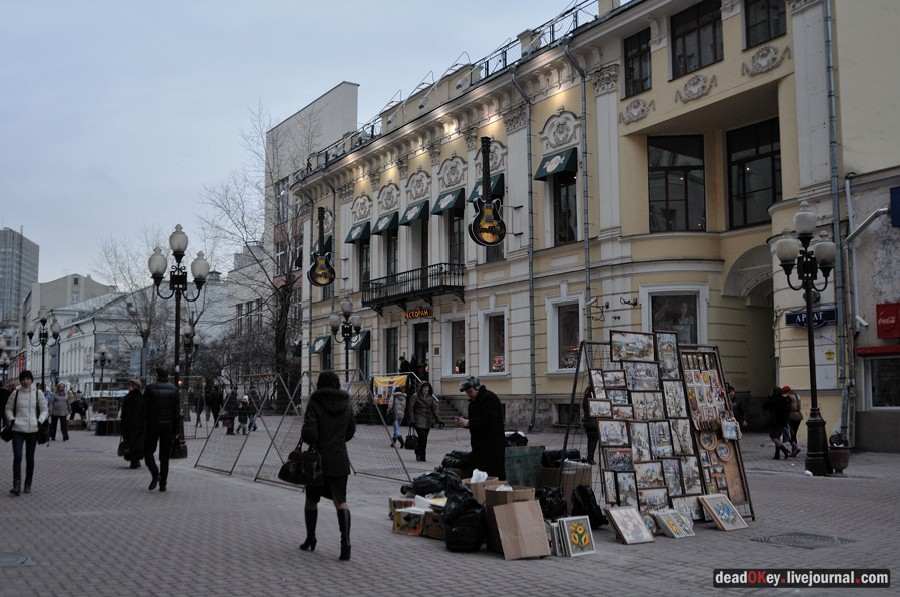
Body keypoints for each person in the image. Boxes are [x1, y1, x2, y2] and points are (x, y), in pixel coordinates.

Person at [299, 371, 356, 561]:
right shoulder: (347, 404)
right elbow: (350, 431)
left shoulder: (315, 403)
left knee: (311, 499)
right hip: (339, 459)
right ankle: (345, 543)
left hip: (318, 461)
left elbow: (310, 434)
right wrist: (337, 441)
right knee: (341, 500)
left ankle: (311, 538)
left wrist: (315, 437)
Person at [5, 370, 48, 496]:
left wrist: (39, 421)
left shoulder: (38, 393)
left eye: (28, 379)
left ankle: (28, 483)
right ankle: (16, 484)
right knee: (17, 457)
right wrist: (12, 420)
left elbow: (45, 410)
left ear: (31, 380)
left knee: (30, 458)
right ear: (20, 380)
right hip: (18, 429)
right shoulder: (15, 393)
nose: (26, 381)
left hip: (33, 430)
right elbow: (8, 409)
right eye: (23, 379)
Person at [456, 376, 506, 479]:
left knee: (493, 474)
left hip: (492, 446)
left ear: (477, 388)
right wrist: (464, 423)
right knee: (480, 475)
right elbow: (476, 422)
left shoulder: (489, 398)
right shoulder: (474, 402)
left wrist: (469, 422)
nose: (469, 395)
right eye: (467, 393)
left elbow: (490, 419)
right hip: (479, 447)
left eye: (470, 391)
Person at [141, 366, 181, 492]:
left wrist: (141, 425)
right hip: (168, 426)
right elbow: (176, 412)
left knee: (148, 451)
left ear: (157, 375)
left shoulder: (150, 388)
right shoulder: (174, 389)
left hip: (153, 425)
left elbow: (144, 409)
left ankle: (155, 473)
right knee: (164, 456)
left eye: (154, 374)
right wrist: (176, 430)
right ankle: (163, 484)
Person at [408, 381, 442, 462]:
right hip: (418, 420)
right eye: (424, 388)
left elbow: (434, 410)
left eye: (427, 388)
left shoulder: (431, 397)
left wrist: (439, 420)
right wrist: (412, 420)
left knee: (424, 439)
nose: (426, 389)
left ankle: (418, 452)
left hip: (427, 421)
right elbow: (411, 408)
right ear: (421, 388)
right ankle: (422, 456)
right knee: (422, 437)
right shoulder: (415, 396)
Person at [762, 386, 791, 460]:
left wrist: (769, 397)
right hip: (783, 421)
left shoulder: (772, 399)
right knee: (777, 437)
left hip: (775, 421)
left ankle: (784, 450)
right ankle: (777, 454)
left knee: (773, 437)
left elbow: (764, 406)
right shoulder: (784, 400)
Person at [121, 379, 144, 469]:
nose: (128, 387)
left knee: (130, 443)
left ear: (133, 387)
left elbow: (126, 414)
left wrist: (123, 425)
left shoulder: (128, 398)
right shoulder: (142, 397)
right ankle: (137, 460)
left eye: (129, 386)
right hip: (140, 424)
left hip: (130, 425)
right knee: (138, 443)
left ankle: (133, 461)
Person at [783, 385, 803, 457]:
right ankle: (793, 451)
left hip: (792, 415)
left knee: (789, 433)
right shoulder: (797, 395)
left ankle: (795, 449)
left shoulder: (788, 396)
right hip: (799, 415)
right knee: (794, 433)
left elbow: (787, 407)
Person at [581, 387, 599, 465]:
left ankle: (590, 457)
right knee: (593, 441)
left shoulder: (586, 398)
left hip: (588, 423)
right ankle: (590, 458)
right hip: (592, 423)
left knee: (590, 440)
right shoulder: (590, 399)